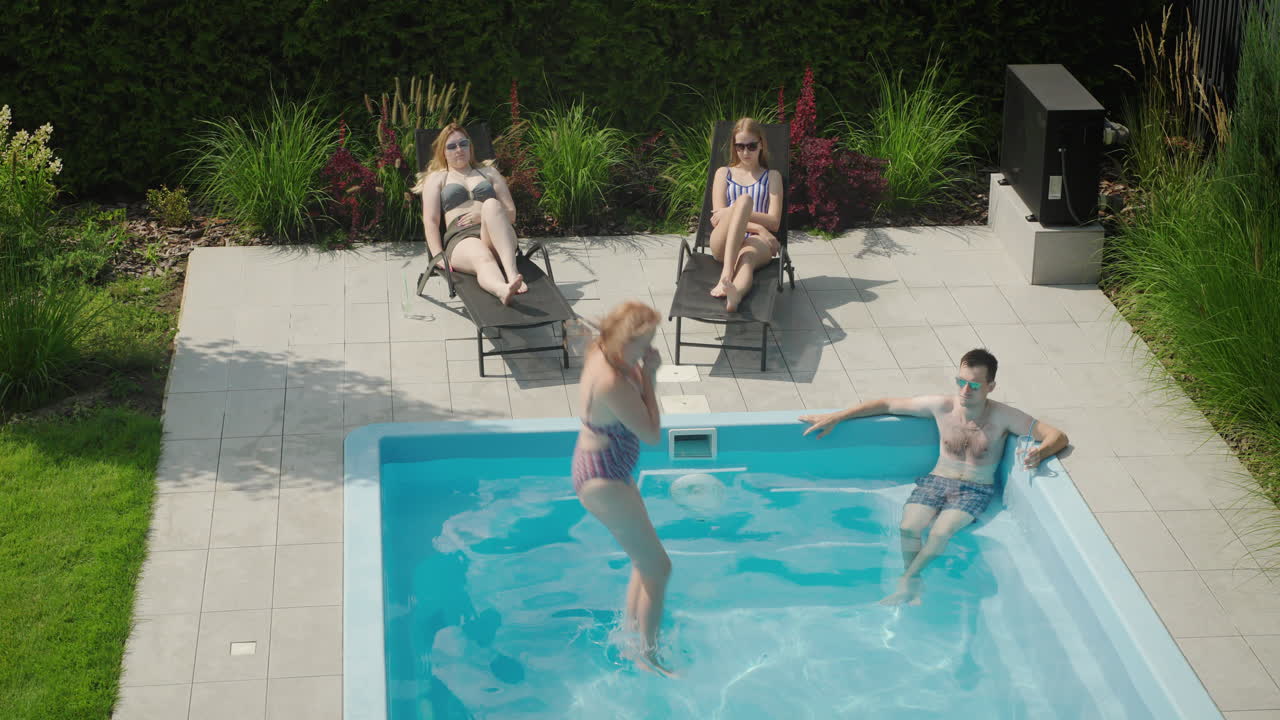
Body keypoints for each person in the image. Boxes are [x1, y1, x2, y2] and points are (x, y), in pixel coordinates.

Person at [800, 348, 1068, 606]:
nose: (965, 391)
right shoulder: (942, 406)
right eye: (960, 382)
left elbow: (1057, 436)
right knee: (908, 528)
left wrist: (1042, 451)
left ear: (991, 386)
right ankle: (912, 583)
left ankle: (908, 580)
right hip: (937, 480)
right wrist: (837, 417)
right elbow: (886, 404)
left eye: (974, 385)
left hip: (975, 488)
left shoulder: (1004, 416)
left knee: (940, 533)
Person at [571, 301, 673, 675]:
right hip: (603, 478)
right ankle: (648, 656)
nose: (648, 350)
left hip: (609, 468)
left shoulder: (604, 348)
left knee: (644, 562)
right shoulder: (612, 380)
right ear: (623, 340)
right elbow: (651, 434)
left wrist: (640, 365)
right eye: (644, 343)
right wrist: (651, 375)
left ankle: (631, 636)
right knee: (659, 568)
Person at [415, 123, 526, 305]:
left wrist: (482, 215)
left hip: (498, 234)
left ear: (470, 147)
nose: (459, 149)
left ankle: (511, 272)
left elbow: (511, 214)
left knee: (490, 205)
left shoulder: (489, 172)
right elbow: (431, 221)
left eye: (463, 144)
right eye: (452, 146)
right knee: (482, 257)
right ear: (443, 151)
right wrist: (437, 255)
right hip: (462, 238)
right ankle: (502, 289)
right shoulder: (437, 178)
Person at [707, 117, 784, 312]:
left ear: (761, 145)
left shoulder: (772, 177)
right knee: (744, 201)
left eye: (751, 146)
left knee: (747, 259)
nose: (745, 152)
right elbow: (718, 219)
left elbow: (774, 222)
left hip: (756, 242)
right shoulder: (723, 174)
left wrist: (731, 213)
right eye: (740, 146)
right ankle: (726, 273)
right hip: (724, 241)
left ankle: (735, 294)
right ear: (734, 147)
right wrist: (759, 227)